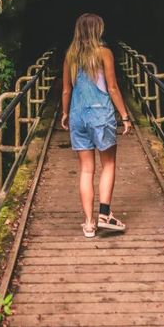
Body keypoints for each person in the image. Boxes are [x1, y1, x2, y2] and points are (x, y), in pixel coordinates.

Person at [61, 13, 132, 238]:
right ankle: (104, 214)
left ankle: (89, 224)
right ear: (97, 30)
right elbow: (112, 87)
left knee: (86, 169)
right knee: (108, 164)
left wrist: (65, 113)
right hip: (101, 115)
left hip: (77, 116)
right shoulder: (104, 53)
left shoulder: (70, 55)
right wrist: (125, 116)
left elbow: (66, 90)